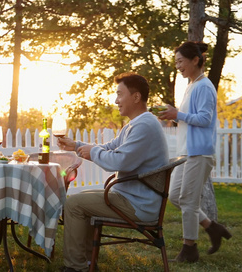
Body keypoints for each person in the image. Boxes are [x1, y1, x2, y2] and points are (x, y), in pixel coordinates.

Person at [57, 72, 169, 272]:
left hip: (137, 204)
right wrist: (77, 145)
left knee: (73, 204)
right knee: (79, 198)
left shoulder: (144, 125)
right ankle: (87, 262)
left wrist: (93, 152)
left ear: (136, 97)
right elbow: (110, 147)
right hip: (132, 197)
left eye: (120, 94)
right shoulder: (136, 124)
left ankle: (75, 267)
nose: (116, 100)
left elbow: (120, 161)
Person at [159, 41, 232, 263]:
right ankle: (212, 227)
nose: (178, 66)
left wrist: (178, 115)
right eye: (176, 62)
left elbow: (204, 118)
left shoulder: (204, 86)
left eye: (180, 61)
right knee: (175, 196)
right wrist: (173, 116)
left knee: (189, 201)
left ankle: (189, 250)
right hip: (187, 152)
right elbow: (190, 118)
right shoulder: (191, 85)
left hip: (199, 153)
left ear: (195, 60)